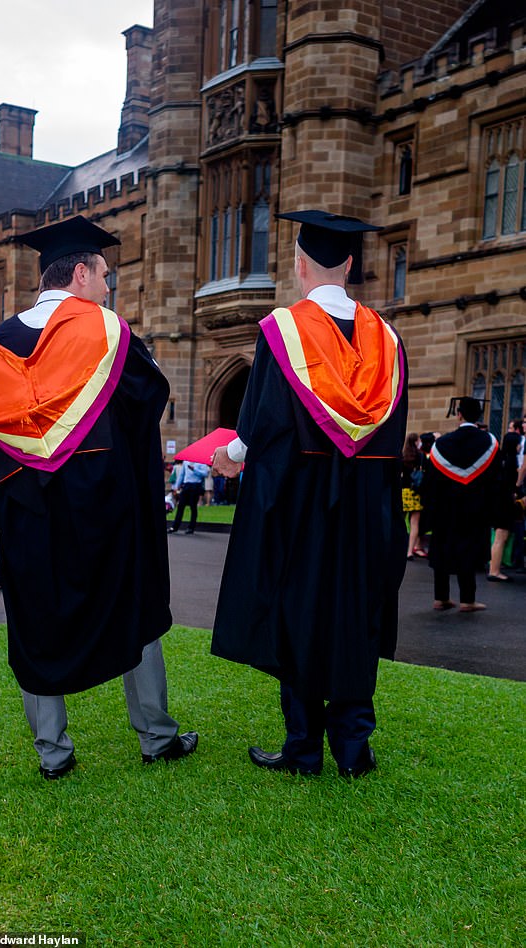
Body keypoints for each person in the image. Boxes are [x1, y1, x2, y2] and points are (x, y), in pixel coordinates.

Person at [0, 215, 197, 779]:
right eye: (106, 275)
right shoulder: (111, 335)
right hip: (107, 516)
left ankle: (53, 753)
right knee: (134, 610)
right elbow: (146, 409)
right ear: (82, 274)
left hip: (29, 521)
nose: (109, 286)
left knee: (34, 622)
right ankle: (156, 736)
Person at [211, 209, 408, 778]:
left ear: (300, 265)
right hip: (369, 503)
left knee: (300, 612)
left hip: (303, 502)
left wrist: (232, 458)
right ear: (349, 264)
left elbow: (264, 419)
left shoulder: (282, 330)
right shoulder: (387, 337)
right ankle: (354, 748)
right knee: (356, 611)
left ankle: (302, 749)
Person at [424, 396, 499, 612]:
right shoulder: (490, 443)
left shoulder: (441, 444)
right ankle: (468, 600)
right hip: (474, 510)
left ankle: (441, 598)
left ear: (459, 414)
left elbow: (430, 483)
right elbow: (496, 481)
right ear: (479, 415)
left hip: (445, 510)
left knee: (442, 548)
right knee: (468, 550)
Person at [487, 430, 521, 582]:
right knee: (501, 536)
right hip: (505, 502)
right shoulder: (511, 460)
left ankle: (494, 568)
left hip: (497, 501)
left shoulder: (500, 458)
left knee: (499, 536)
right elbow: (510, 484)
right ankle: (494, 571)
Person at [168, 460, 211, 534]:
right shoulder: (186, 462)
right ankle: (175, 527)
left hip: (195, 485)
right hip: (186, 485)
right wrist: (177, 486)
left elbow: (205, 474)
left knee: (193, 507)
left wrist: (194, 469)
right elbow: (182, 474)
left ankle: (191, 527)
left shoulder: (201, 462)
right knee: (180, 506)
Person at [401, 432, 425, 560]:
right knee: (414, 523)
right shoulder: (420, 456)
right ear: (416, 442)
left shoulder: (403, 456)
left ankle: (397, 547)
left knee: (400, 521)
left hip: (404, 491)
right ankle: (409, 551)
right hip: (415, 491)